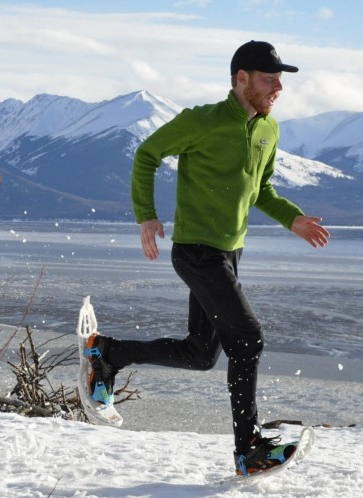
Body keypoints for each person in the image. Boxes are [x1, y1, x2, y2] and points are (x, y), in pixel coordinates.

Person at [83, 40, 330, 476]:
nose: (279, 88)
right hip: (197, 253)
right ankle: (249, 450)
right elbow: (146, 155)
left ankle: (106, 354)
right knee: (249, 338)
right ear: (241, 79)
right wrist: (146, 217)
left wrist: (292, 220)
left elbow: (262, 191)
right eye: (270, 79)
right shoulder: (202, 121)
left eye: (281, 80)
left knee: (200, 354)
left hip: (230, 255)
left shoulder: (268, 130)